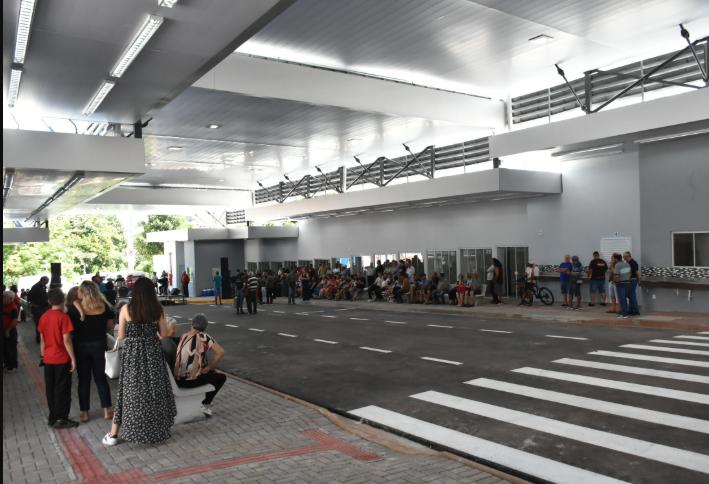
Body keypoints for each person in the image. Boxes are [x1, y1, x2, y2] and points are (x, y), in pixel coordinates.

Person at [102, 277, 176, 446]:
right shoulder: (157, 309)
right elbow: (164, 335)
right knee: (155, 391)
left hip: (133, 357)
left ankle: (114, 434)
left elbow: (121, 336)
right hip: (153, 355)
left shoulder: (126, 309)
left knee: (129, 393)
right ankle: (157, 430)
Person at [69, 281, 114, 423]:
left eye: (79, 290)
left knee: (83, 380)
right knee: (101, 378)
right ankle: (107, 410)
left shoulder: (74, 308)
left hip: (80, 346)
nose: (77, 293)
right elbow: (109, 326)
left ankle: (84, 412)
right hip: (99, 344)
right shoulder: (105, 306)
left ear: (83, 292)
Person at [38, 288, 78, 429]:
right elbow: (67, 340)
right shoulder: (63, 317)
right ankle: (62, 418)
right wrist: (73, 359)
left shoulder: (43, 317)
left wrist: (43, 356)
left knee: (50, 389)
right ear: (63, 300)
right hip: (61, 359)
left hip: (48, 358)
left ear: (49, 301)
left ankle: (53, 417)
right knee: (62, 389)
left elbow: (42, 340)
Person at [175, 314, 227, 417]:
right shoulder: (204, 337)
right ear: (204, 327)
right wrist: (209, 367)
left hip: (178, 380)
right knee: (221, 377)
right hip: (190, 381)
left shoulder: (183, 336)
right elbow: (220, 352)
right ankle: (205, 405)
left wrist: (208, 368)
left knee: (211, 372)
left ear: (192, 324)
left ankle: (201, 402)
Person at [28, 276, 50, 343]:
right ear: (42, 280)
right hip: (38, 308)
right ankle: (39, 338)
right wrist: (34, 305)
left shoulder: (44, 286)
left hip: (43, 307)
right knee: (39, 323)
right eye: (46, 281)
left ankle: (43, 337)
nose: (47, 282)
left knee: (43, 323)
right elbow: (29, 297)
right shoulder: (36, 287)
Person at [3, 290, 20, 372]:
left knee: (11, 349)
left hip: (10, 331)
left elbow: (14, 321)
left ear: (10, 298)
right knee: (4, 348)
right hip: (4, 330)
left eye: (4, 297)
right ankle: (7, 363)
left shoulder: (13, 308)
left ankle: (13, 366)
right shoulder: (4, 305)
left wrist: (8, 330)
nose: (3, 298)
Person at [613, 253, 633, 319]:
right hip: (628, 283)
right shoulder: (627, 264)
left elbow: (616, 275)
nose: (613, 259)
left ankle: (624, 314)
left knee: (622, 299)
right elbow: (630, 274)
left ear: (616, 259)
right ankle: (624, 313)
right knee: (625, 299)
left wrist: (616, 282)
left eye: (613, 258)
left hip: (621, 284)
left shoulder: (617, 265)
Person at [624, 251, 641, 316]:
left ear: (627, 256)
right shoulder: (628, 263)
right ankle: (631, 310)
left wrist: (639, 280)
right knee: (630, 295)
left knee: (632, 296)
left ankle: (636, 311)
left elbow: (637, 272)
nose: (623, 258)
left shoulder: (633, 263)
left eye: (624, 257)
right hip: (630, 281)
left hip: (632, 281)